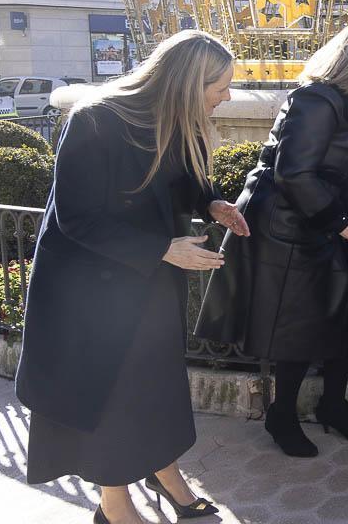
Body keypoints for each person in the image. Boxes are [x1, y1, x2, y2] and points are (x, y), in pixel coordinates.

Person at [16, 30, 246, 524]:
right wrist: (164, 248)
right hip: (90, 294)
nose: (226, 97)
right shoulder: (94, 119)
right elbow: (75, 219)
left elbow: (181, 179)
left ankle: (166, 476)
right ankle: (114, 506)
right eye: (220, 87)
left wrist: (212, 202)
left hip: (145, 281)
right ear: (188, 83)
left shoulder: (172, 118)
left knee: (154, 387)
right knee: (114, 394)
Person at [195, 20, 348, 458]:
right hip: (287, 226)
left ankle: (332, 406)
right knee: (297, 322)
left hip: (315, 218)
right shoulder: (316, 99)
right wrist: (339, 220)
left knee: (341, 311)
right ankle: (281, 416)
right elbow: (292, 172)